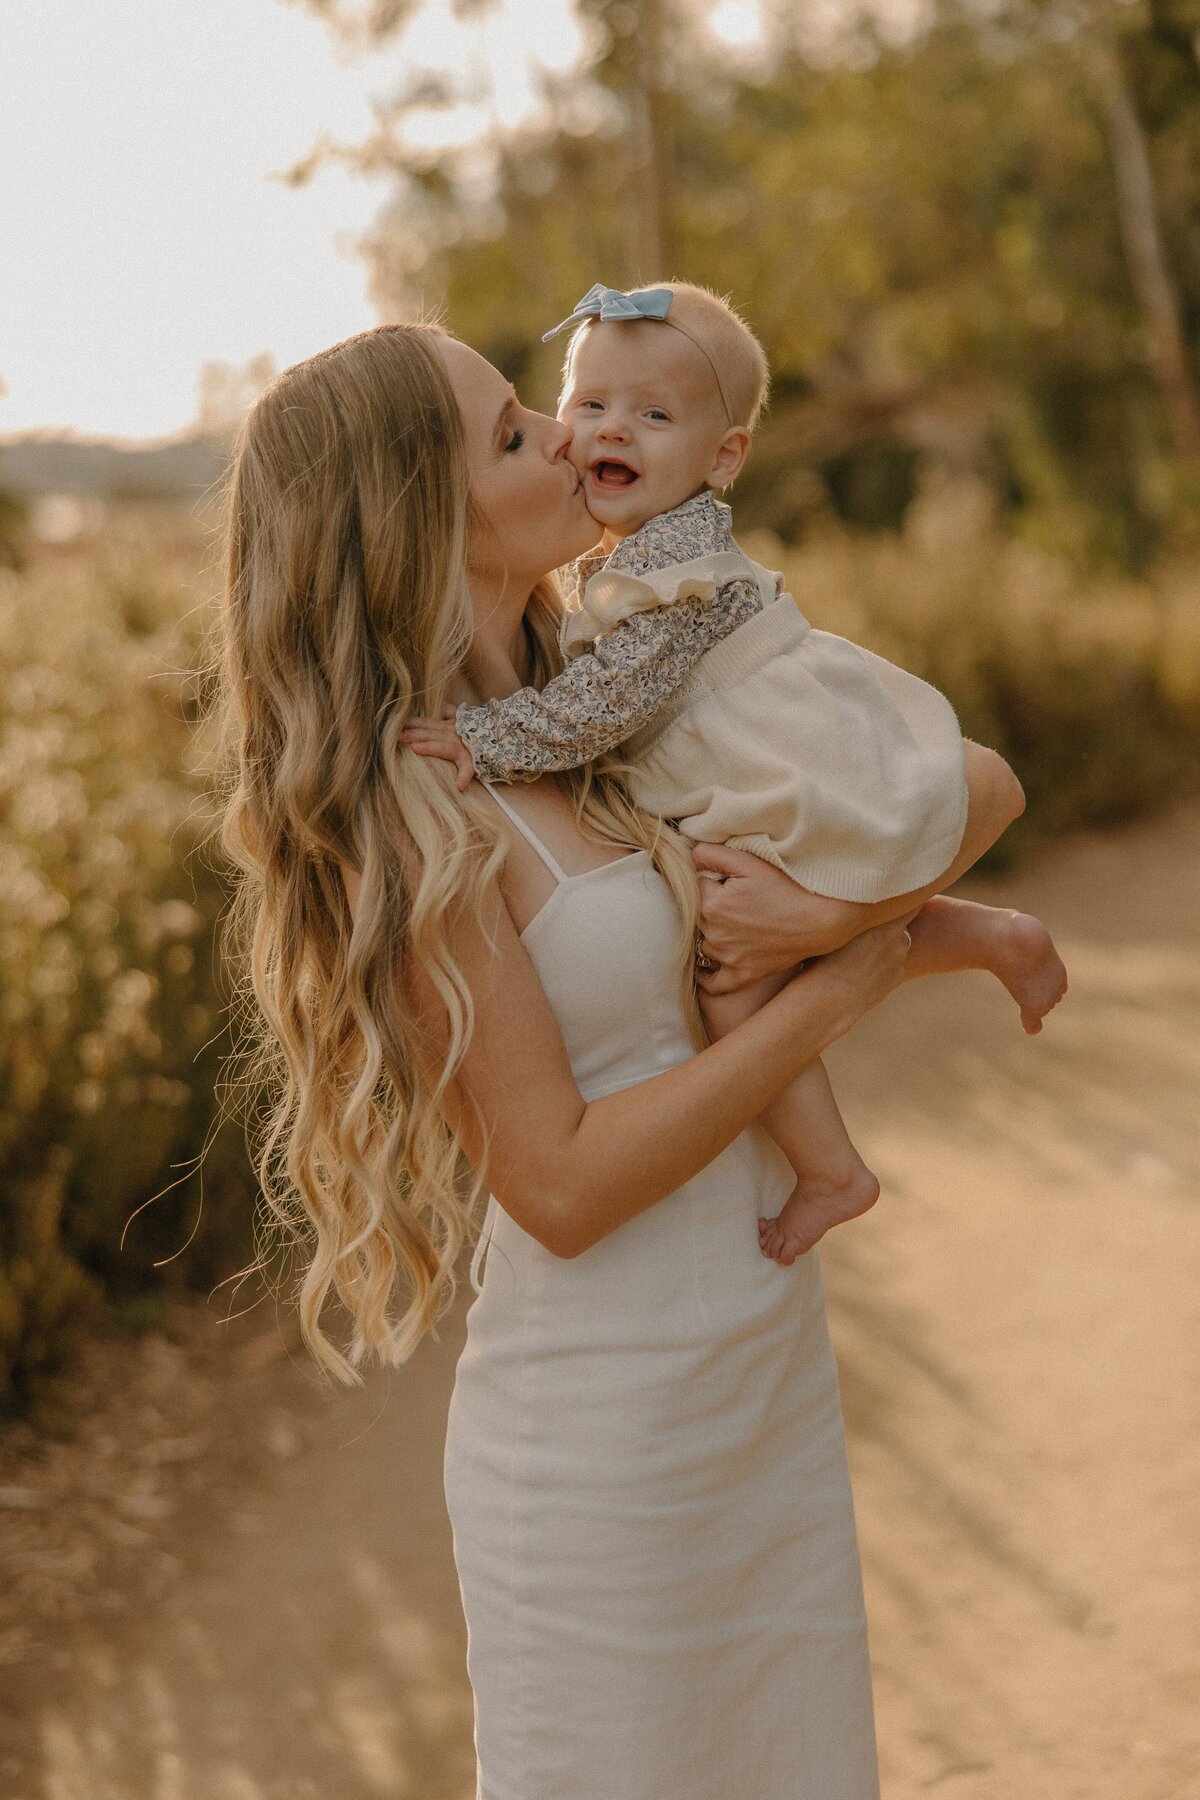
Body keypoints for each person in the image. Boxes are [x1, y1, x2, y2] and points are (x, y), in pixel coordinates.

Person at [215, 321, 1025, 1799]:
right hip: (606, 1442)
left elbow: (960, 786)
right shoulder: (419, 798)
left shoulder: (610, 703)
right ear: (418, 517)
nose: (574, 431)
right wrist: (839, 985)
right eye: (514, 432)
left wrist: (852, 919)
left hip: (759, 1385)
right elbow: (565, 1186)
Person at [403, 281, 1068, 1265]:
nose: (587, 435)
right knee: (762, 928)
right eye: (585, 405)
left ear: (723, 458)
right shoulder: (630, 566)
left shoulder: (664, 575)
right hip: (740, 761)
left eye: (651, 414)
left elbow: (607, 705)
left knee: (744, 963)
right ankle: (984, 946)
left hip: (761, 756)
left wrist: (488, 738)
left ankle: (835, 1165)